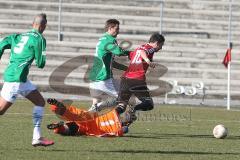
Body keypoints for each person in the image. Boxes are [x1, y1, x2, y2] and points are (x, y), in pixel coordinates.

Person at [0, 13, 54, 147]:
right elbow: (41, 63)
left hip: (21, 79)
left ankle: (37, 137)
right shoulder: (39, 39)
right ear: (43, 26)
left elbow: (2, 43)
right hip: (16, 79)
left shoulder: (18, 36)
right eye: (45, 26)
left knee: (40, 102)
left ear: (33, 24)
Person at [115, 33, 165, 117]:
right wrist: (148, 61)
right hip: (137, 80)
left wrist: (120, 51)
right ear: (156, 43)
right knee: (148, 104)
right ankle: (132, 110)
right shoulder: (150, 49)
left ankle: (110, 121)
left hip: (125, 79)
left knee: (122, 106)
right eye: (161, 45)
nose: (161, 48)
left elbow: (131, 54)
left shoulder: (138, 48)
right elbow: (143, 52)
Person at [88, 19, 130, 112]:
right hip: (102, 77)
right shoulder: (108, 40)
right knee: (123, 97)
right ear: (110, 28)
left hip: (96, 76)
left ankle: (92, 111)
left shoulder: (104, 39)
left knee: (92, 113)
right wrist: (132, 53)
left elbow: (112, 62)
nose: (118, 31)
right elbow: (119, 52)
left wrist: (127, 68)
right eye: (117, 28)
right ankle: (97, 108)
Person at [46, 98, 130, 137]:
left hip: (88, 121)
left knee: (75, 121)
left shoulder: (113, 123)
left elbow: (124, 129)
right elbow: (124, 129)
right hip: (87, 121)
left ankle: (59, 126)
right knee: (75, 120)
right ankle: (59, 126)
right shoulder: (114, 124)